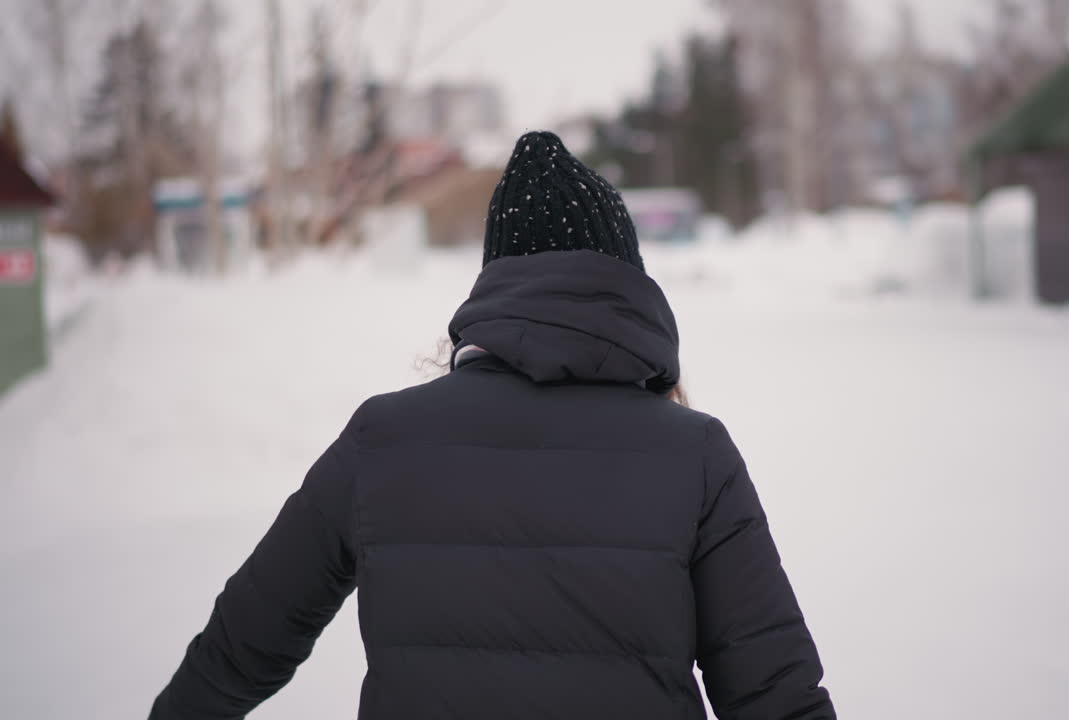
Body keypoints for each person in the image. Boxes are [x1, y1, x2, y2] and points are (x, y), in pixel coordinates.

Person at [149, 131, 834, 719]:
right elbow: (776, 693)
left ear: (497, 280)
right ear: (626, 282)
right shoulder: (696, 454)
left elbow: (241, 646)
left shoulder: (382, 440)